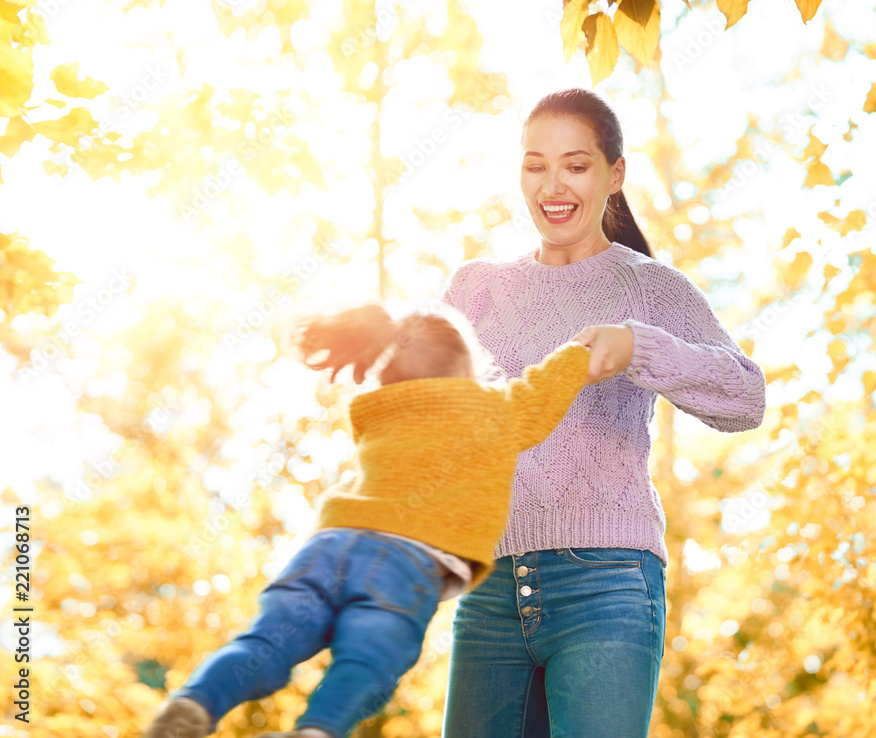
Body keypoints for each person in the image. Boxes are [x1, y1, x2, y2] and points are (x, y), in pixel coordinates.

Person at [439, 88, 767, 737]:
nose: (552, 185)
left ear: (614, 175)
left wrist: (640, 347)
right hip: (490, 591)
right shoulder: (474, 290)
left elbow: (745, 398)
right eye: (536, 165)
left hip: (608, 587)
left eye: (576, 164)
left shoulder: (648, 287)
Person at [144, 302, 594, 738]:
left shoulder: (380, 412)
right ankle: (317, 730)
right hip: (406, 560)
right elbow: (543, 394)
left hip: (330, 546)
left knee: (265, 643)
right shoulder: (493, 410)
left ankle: (196, 701)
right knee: (369, 659)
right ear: (464, 368)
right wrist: (581, 350)